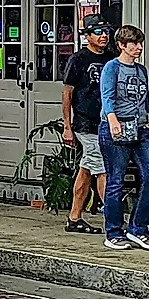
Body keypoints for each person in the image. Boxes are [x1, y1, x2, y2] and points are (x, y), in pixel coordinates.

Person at [98, 23, 149, 251]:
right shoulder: (112, 67)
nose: (139, 48)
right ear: (122, 45)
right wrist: (113, 120)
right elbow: (107, 95)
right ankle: (113, 231)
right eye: (133, 44)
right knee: (116, 180)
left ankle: (138, 228)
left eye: (140, 43)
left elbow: (145, 96)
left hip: (141, 127)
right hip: (117, 125)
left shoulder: (141, 70)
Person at [61, 22, 113, 235]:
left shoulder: (110, 58)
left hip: (106, 122)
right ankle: (113, 218)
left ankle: (74, 217)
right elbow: (67, 94)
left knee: (86, 170)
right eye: (98, 32)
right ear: (88, 36)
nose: (103, 36)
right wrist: (67, 125)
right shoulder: (78, 59)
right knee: (102, 169)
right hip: (85, 123)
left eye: (106, 32)